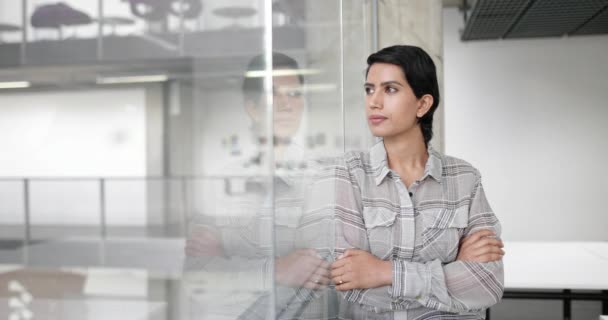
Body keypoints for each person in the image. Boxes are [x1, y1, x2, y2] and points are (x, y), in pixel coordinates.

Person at [327, 45, 504, 319]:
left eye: (391, 89)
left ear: (423, 104)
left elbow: (486, 285)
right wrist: (451, 271)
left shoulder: (465, 178)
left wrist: (382, 272)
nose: (374, 101)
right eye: (369, 89)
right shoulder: (350, 173)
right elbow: (348, 284)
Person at [184, 52, 335, 320]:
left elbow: (321, 276)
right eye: (273, 94)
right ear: (252, 108)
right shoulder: (220, 183)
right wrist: (277, 270)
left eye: (294, 94)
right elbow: (199, 277)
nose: (286, 105)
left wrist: (233, 269)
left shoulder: (326, 179)